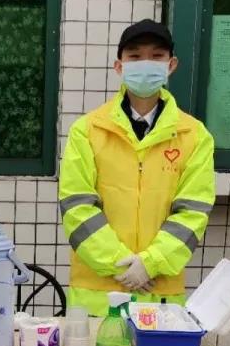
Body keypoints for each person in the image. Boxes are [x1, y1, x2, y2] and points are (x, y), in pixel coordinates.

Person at [58, 19, 215, 316]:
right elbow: (76, 206)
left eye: (156, 56)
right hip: (97, 297)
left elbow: (193, 211)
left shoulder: (194, 136)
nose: (146, 63)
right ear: (119, 66)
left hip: (161, 297)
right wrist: (122, 264)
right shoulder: (87, 130)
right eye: (135, 56)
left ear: (171, 65)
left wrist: (150, 263)